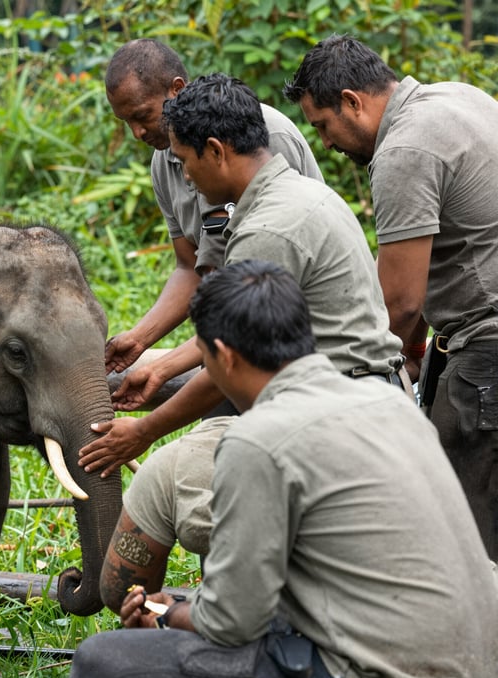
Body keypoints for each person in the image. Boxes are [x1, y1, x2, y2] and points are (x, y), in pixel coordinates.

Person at [70, 260, 498, 678]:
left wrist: (168, 615)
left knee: (102, 669)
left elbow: (231, 622)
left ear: (223, 357)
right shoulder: (389, 404)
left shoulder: (258, 440)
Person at [85, 74, 402, 609]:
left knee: (162, 479)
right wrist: (159, 366)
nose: (183, 174)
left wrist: (144, 433)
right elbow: (230, 342)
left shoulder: (266, 232)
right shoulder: (297, 196)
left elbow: (232, 366)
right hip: (357, 398)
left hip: (329, 418)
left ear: (215, 151)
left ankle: (159, 620)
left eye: (186, 162)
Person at [282, 34, 498, 560]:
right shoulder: (460, 97)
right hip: (472, 334)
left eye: (323, 126)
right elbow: (431, 259)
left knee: (468, 528)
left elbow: (398, 304)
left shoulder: (403, 150)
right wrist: (415, 351)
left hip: (486, 350)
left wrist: (343, 384)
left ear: (353, 102)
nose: (327, 145)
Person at [102, 39, 323, 381]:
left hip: (295, 348)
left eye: (142, 116)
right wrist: (139, 339)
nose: (136, 133)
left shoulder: (264, 138)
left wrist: (163, 370)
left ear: (176, 90)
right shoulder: (164, 161)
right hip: (231, 340)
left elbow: (266, 299)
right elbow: (191, 266)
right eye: (125, 122)